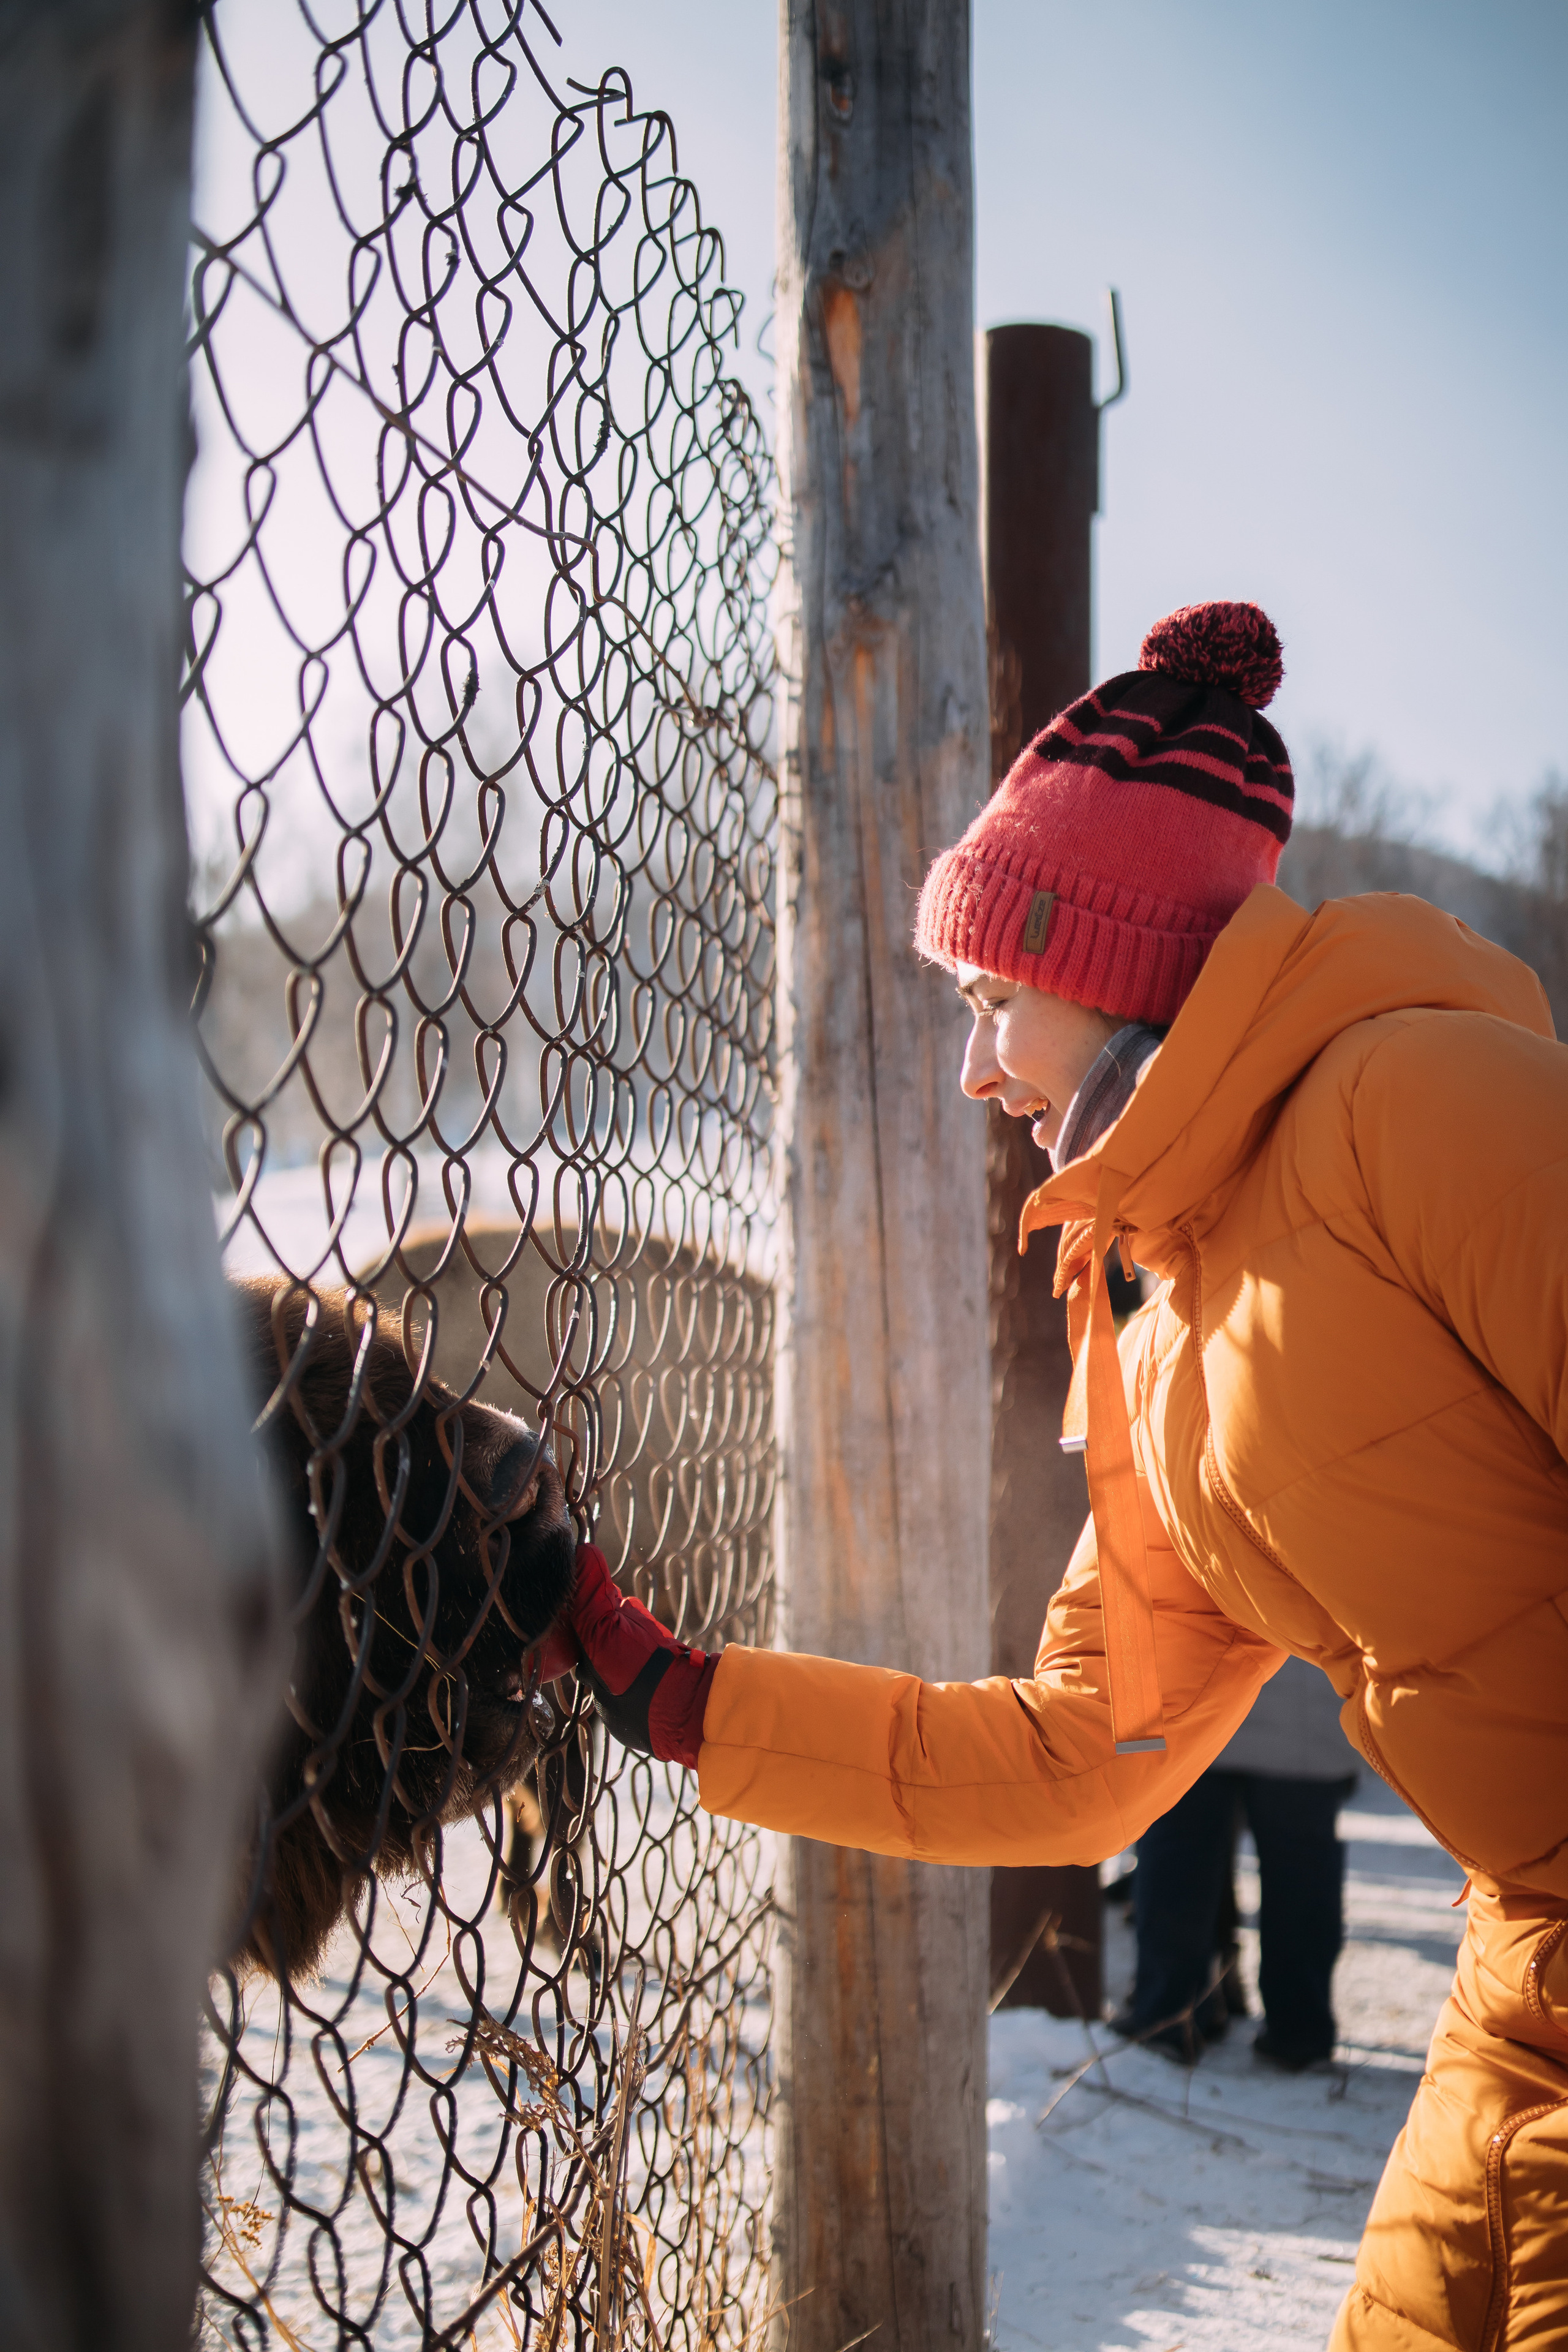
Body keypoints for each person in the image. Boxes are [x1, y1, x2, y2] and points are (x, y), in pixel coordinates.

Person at [557, 600, 1568, 2352]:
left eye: (991, 1001)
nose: (970, 1067)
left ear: (1107, 968)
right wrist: (683, 1700)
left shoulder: (1435, 1102)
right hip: (1522, 1981)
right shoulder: (1152, 1312)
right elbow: (1085, 1754)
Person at [1114, 1653, 1359, 2068]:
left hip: (1179, 1697)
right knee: (1301, 1865)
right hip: (1307, 1700)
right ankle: (1300, 2030)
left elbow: (1124, 1592)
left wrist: (1131, 1714)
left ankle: (1168, 2018)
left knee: (1177, 1854)